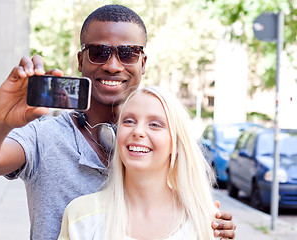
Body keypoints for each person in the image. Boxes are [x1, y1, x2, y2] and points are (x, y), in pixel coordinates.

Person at [0, 4, 236, 239]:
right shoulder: (46, 135)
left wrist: (206, 223)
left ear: (143, 63)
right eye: (99, 52)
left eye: (128, 53)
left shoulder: (159, 138)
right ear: (81, 60)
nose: (113, 65)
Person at [59, 86, 218, 240]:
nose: (138, 131)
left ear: (176, 143)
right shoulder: (81, 215)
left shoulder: (203, 221)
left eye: (155, 124)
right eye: (128, 121)